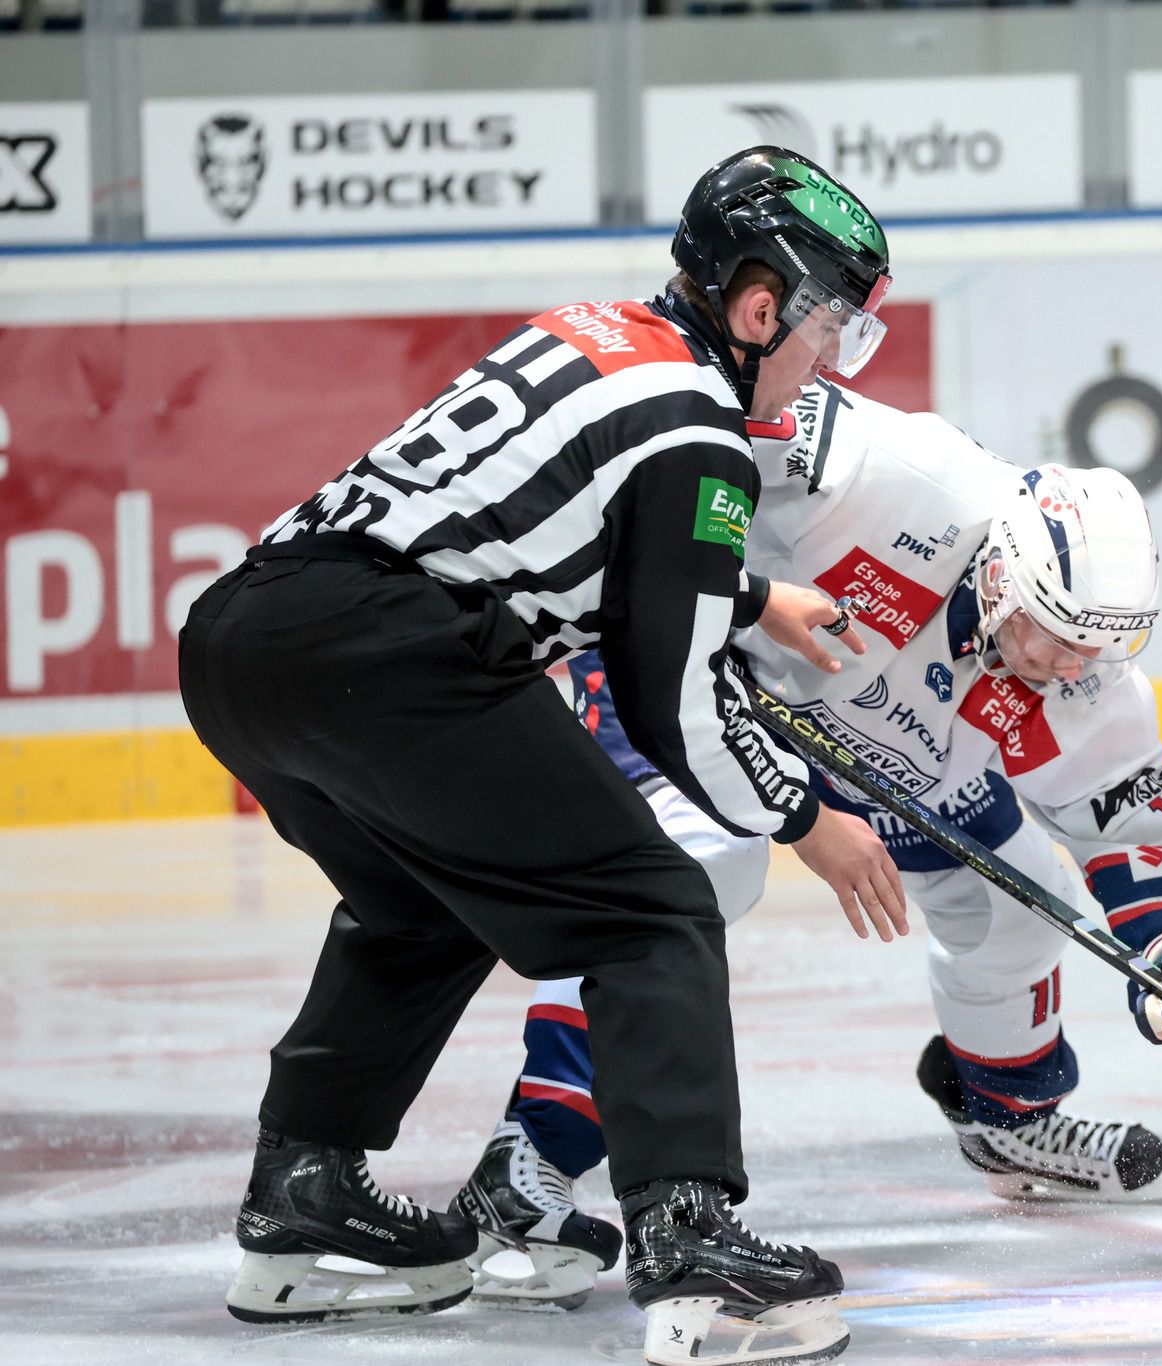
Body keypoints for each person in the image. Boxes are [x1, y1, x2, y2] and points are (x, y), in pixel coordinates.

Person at [179, 147, 911, 1365]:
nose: (830, 359)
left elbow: (568, 527)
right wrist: (804, 819)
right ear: (757, 304)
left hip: (245, 638)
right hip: (394, 655)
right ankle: (689, 1240)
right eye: (828, 324)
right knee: (652, 909)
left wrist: (749, 594)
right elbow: (667, 699)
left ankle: (301, 1200)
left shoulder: (598, 334)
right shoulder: (700, 433)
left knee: (419, 909)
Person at [453, 383, 1162, 1308]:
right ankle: (529, 1164)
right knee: (681, 884)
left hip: (890, 748)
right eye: (1059, 637)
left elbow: (1135, 826)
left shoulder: (1084, 679)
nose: (1075, 668)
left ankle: (1004, 1122)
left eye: (1104, 646)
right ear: (1003, 575)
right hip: (704, 686)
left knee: (1014, 913)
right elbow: (689, 443)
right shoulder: (884, 473)